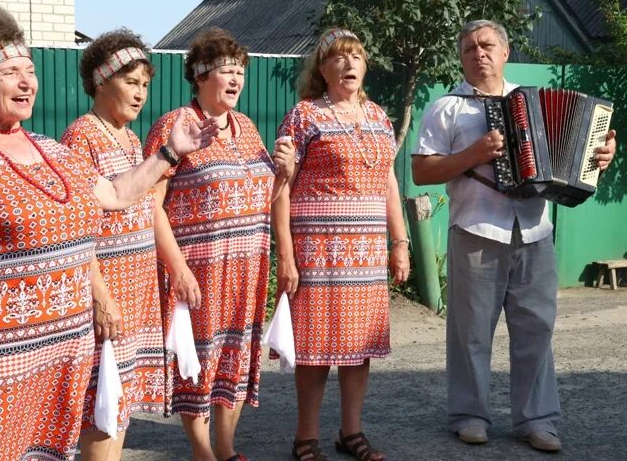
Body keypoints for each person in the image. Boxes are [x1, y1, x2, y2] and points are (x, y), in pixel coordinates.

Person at [0, 8, 217, 461]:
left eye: (30, 70)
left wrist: (167, 152)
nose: (27, 81)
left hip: (60, 348)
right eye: (10, 72)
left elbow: (117, 194)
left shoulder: (51, 152)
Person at [411, 19, 617, 453]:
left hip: (535, 229)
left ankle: (537, 420)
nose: (478, 53)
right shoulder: (446, 108)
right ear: (461, 58)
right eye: (469, 48)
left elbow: (579, 162)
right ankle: (469, 415)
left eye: (487, 45)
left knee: (537, 329)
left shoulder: (532, 102)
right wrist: (475, 153)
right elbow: (421, 170)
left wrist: (600, 157)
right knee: (470, 331)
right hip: (476, 228)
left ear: (505, 53)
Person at [143, 27, 294, 461]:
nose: (236, 80)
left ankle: (226, 449)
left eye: (241, 72)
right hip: (199, 270)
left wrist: (284, 172)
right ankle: (203, 451)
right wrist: (178, 269)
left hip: (247, 268)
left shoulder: (246, 127)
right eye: (227, 71)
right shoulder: (175, 126)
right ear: (200, 75)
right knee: (198, 360)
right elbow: (151, 205)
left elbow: (266, 197)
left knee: (234, 355)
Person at [60, 29, 201, 460]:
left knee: (119, 404)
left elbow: (144, 206)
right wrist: (99, 295)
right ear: (101, 81)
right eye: (130, 82)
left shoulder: (129, 139)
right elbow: (76, 229)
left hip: (136, 288)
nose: (140, 94)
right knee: (102, 403)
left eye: (145, 84)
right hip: (108, 293)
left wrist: (173, 269)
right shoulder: (81, 138)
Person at [271, 28, 410, 461]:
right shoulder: (304, 115)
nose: (349, 64)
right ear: (322, 68)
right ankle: (305, 437)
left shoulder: (379, 116)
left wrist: (400, 242)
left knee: (358, 347)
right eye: (338, 58)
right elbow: (281, 186)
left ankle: (352, 433)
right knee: (314, 349)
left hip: (366, 254)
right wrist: (286, 256)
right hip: (316, 253)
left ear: (365, 66)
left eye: (356, 57)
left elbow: (388, 180)